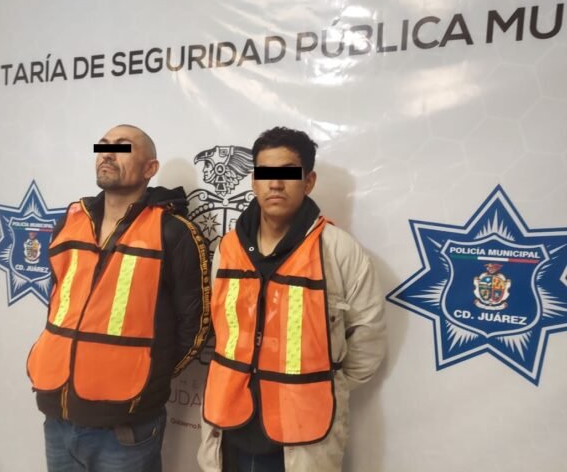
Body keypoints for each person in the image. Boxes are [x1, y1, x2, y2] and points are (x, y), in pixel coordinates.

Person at [198, 127, 386, 472]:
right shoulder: (228, 249)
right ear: (254, 182)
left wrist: (323, 386)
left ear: (308, 181)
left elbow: (368, 337)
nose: (275, 184)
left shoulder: (338, 250)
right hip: (229, 427)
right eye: (266, 174)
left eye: (287, 173)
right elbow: (219, 326)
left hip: (302, 438)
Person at [27, 124, 210, 472]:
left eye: (123, 147)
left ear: (150, 168)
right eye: (103, 146)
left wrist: (148, 377)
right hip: (58, 418)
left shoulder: (173, 231)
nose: (108, 153)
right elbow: (58, 303)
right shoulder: (70, 222)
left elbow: (195, 326)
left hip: (125, 429)